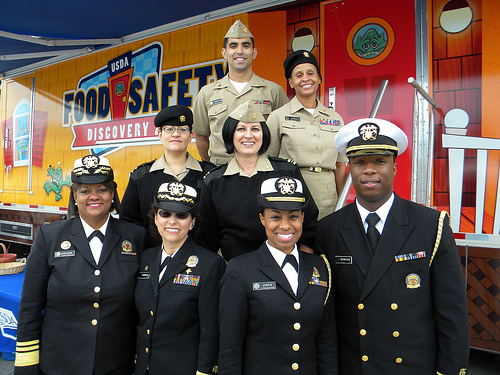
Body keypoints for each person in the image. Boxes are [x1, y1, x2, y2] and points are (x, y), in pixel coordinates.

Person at [315, 118, 469, 374]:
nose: (369, 170)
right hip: (356, 367)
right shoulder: (329, 229)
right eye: (360, 162)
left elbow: (452, 312)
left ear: (395, 168)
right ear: (349, 168)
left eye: (379, 161)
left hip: (412, 366)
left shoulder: (430, 225)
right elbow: (328, 316)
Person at [14, 155, 146, 375]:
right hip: (59, 363)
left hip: (116, 363)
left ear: (112, 195)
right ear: (75, 196)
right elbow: (30, 307)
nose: (94, 196)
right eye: (85, 191)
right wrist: (27, 366)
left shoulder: (135, 236)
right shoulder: (49, 237)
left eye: (102, 189)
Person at [218, 176, 336, 375]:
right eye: (275, 217)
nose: (285, 225)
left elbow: (327, 342)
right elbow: (230, 348)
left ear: (302, 218)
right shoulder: (240, 270)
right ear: (262, 219)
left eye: (293, 216)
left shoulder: (320, 267)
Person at [198, 101, 318, 261]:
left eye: (255, 129)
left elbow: (309, 220)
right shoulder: (214, 181)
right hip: (234, 267)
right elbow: (206, 238)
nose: (249, 135)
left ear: (264, 134)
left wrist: (303, 262)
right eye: (241, 129)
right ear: (230, 134)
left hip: (285, 262)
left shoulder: (287, 172)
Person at [134, 182, 225, 375]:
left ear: (192, 222)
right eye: (165, 213)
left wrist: (205, 370)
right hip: (143, 368)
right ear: (155, 218)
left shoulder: (210, 264)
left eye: (181, 215)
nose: (172, 221)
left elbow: (211, 329)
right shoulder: (145, 259)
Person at [192, 19, 288, 165]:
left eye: (246, 45)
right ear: (224, 53)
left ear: (254, 52)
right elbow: (201, 137)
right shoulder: (207, 93)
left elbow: (284, 134)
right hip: (221, 173)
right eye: (233, 46)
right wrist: (212, 167)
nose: (240, 51)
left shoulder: (273, 91)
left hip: (262, 170)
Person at [267, 50, 347, 219]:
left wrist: (343, 202)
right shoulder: (278, 117)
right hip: (292, 194)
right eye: (299, 75)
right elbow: (268, 163)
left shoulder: (335, 119)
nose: (305, 78)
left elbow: (340, 166)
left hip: (328, 199)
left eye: (311, 73)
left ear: (319, 78)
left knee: (328, 242)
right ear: (291, 82)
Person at [121, 105, 214, 247]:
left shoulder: (210, 175)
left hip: (202, 263)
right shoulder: (140, 177)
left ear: (190, 136)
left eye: (182, 129)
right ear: (160, 135)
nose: (176, 134)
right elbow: (129, 223)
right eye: (169, 129)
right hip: (152, 262)